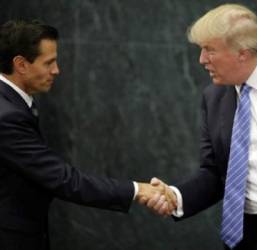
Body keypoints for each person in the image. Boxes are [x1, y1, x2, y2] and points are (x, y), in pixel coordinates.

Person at [0, 19, 175, 250]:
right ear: (21, 64)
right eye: (49, 62)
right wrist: (137, 189)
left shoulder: (12, 104)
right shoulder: (7, 116)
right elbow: (63, 179)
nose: (56, 70)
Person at [145, 3, 257, 250]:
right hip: (244, 236)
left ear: (243, 53)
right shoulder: (213, 97)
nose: (201, 59)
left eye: (209, 50)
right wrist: (176, 196)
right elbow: (216, 173)